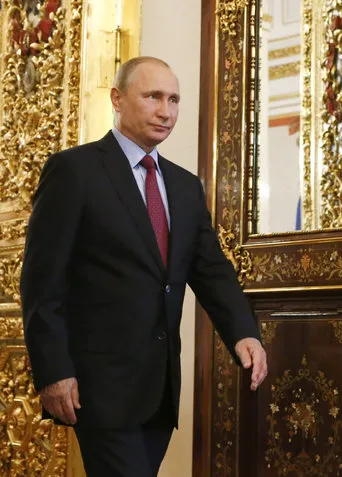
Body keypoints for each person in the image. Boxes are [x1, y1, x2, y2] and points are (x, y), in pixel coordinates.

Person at [20, 56, 268, 476]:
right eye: (153, 96)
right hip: (98, 386)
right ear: (117, 98)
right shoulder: (74, 171)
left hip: (161, 388)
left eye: (173, 99)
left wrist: (243, 332)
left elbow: (211, 270)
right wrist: (53, 371)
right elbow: (42, 283)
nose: (165, 111)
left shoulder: (186, 186)